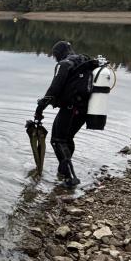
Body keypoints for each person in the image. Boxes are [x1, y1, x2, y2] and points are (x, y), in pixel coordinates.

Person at [34, 40, 91, 188]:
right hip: (86, 109)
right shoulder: (83, 61)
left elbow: (54, 88)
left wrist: (40, 108)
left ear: (58, 53)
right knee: (67, 138)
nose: (55, 59)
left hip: (71, 108)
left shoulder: (64, 64)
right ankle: (62, 170)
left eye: (55, 56)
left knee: (57, 140)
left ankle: (70, 178)